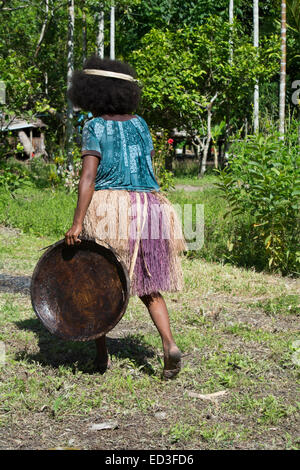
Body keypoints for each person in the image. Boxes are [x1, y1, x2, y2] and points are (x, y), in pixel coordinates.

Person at [65, 56, 186, 379]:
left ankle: (102, 356)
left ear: (93, 94)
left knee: (99, 280)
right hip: (151, 205)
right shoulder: (140, 124)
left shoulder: (95, 126)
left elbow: (88, 178)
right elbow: (146, 167)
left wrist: (77, 222)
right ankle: (169, 344)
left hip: (111, 207)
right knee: (149, 284)